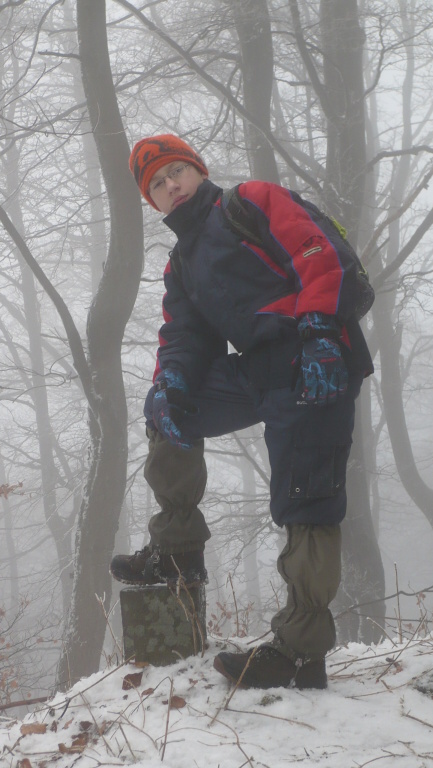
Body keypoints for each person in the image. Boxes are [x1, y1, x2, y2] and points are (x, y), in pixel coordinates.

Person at [110, 134, 373, 690]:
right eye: (157, 184)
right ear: (151, 201)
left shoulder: (250, 202)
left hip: (314, 358)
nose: (171, 185)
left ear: (198, 171)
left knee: (306, 500)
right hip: (259, 370)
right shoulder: (182, 263)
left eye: (176, 171)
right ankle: (177, 550)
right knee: (167, 409)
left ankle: (299, 651)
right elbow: (183, 336)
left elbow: (318, 251)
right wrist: (171, 382)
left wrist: (322, 330)